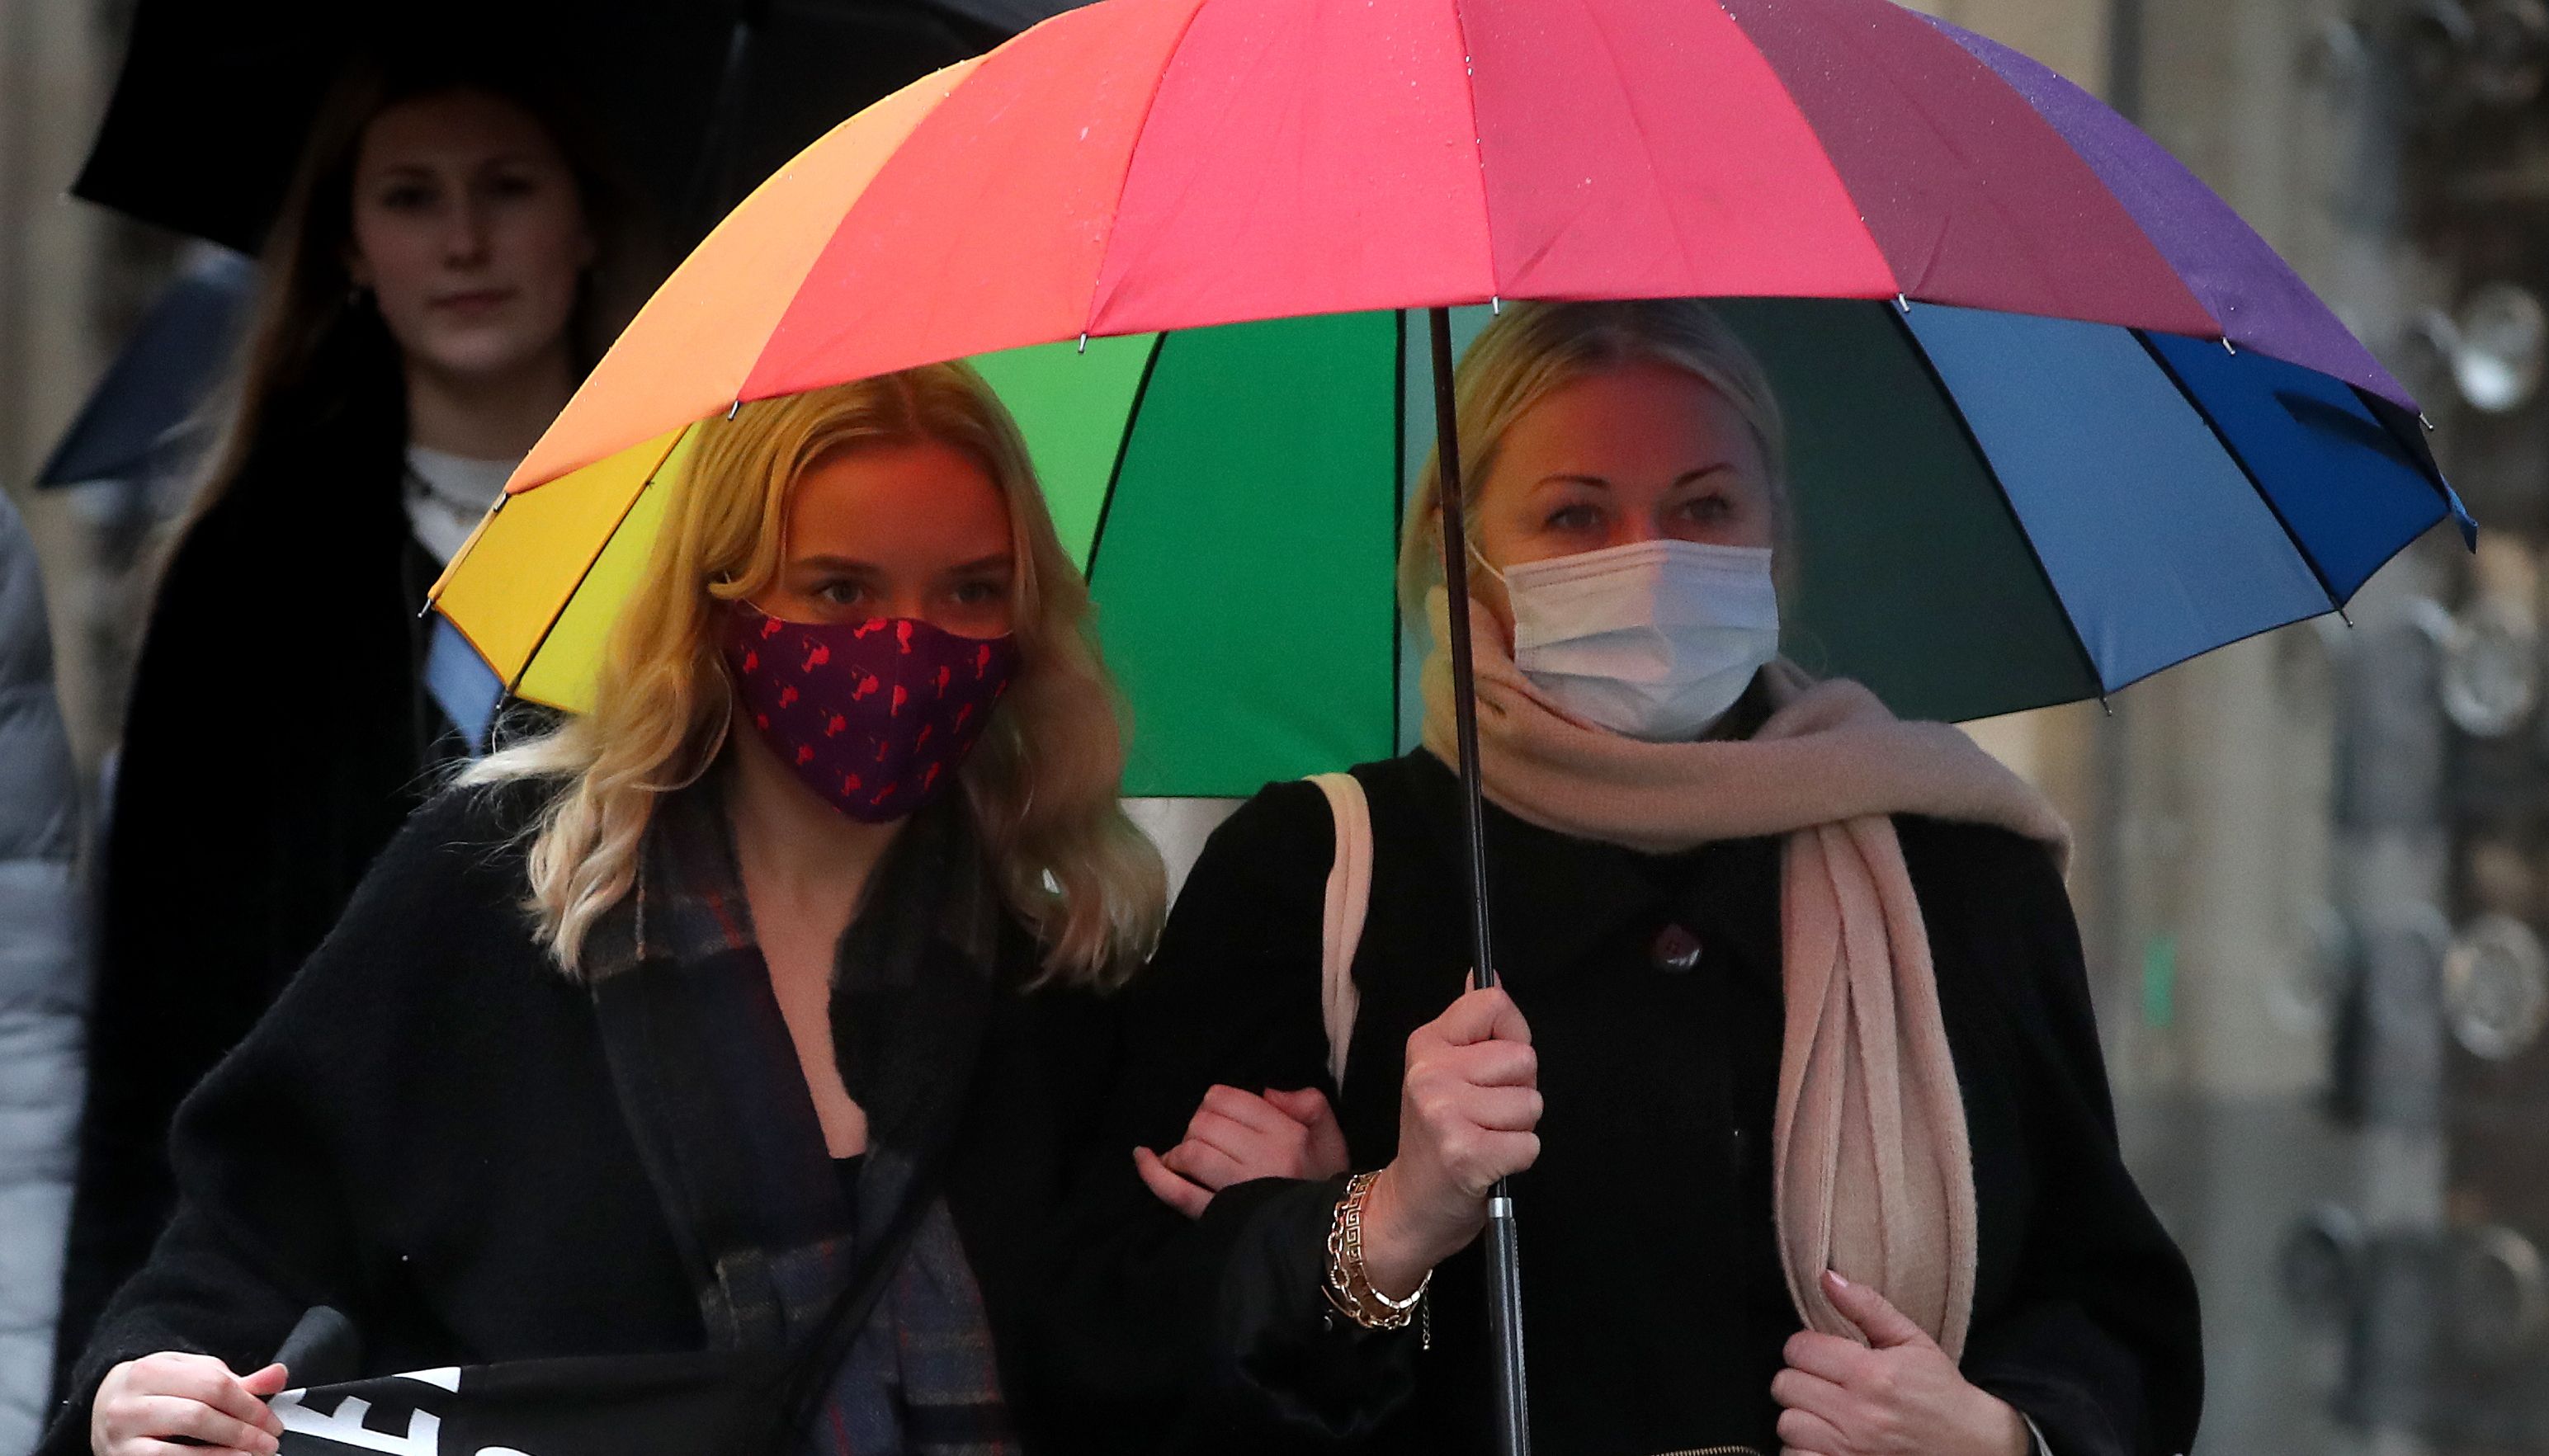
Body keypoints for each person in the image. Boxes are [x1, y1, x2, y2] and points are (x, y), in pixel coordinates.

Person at [1051, 299, 2206, 1456]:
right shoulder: (1316, 871)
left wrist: (2003, 1437)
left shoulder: (1952, 863)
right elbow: (1126, 1346)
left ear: (1774, 530)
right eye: (1575, 515)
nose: (1648, 561)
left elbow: (2107, 1304)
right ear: (1462, 550)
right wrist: (1378, 1227)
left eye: (1703, 507)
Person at [49, 365, 1191, 1456]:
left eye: (971, 590)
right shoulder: (509, 883)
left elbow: (1128, 1367)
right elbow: (244, 1234)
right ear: (722, 600)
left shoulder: (1053, 960)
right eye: (840, 589)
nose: (907, 642)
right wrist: (143, 1384)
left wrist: (1277, 1225)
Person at [57, 50, 658, 1377]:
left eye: (508, 186)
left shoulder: (702, 542)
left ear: (584, 222)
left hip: (632, 1248)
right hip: (322, 1285)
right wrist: (115, 1359)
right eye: (410, 196)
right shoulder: (244, 573)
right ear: (348, 245)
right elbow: (161, 1018)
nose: (463, 239)